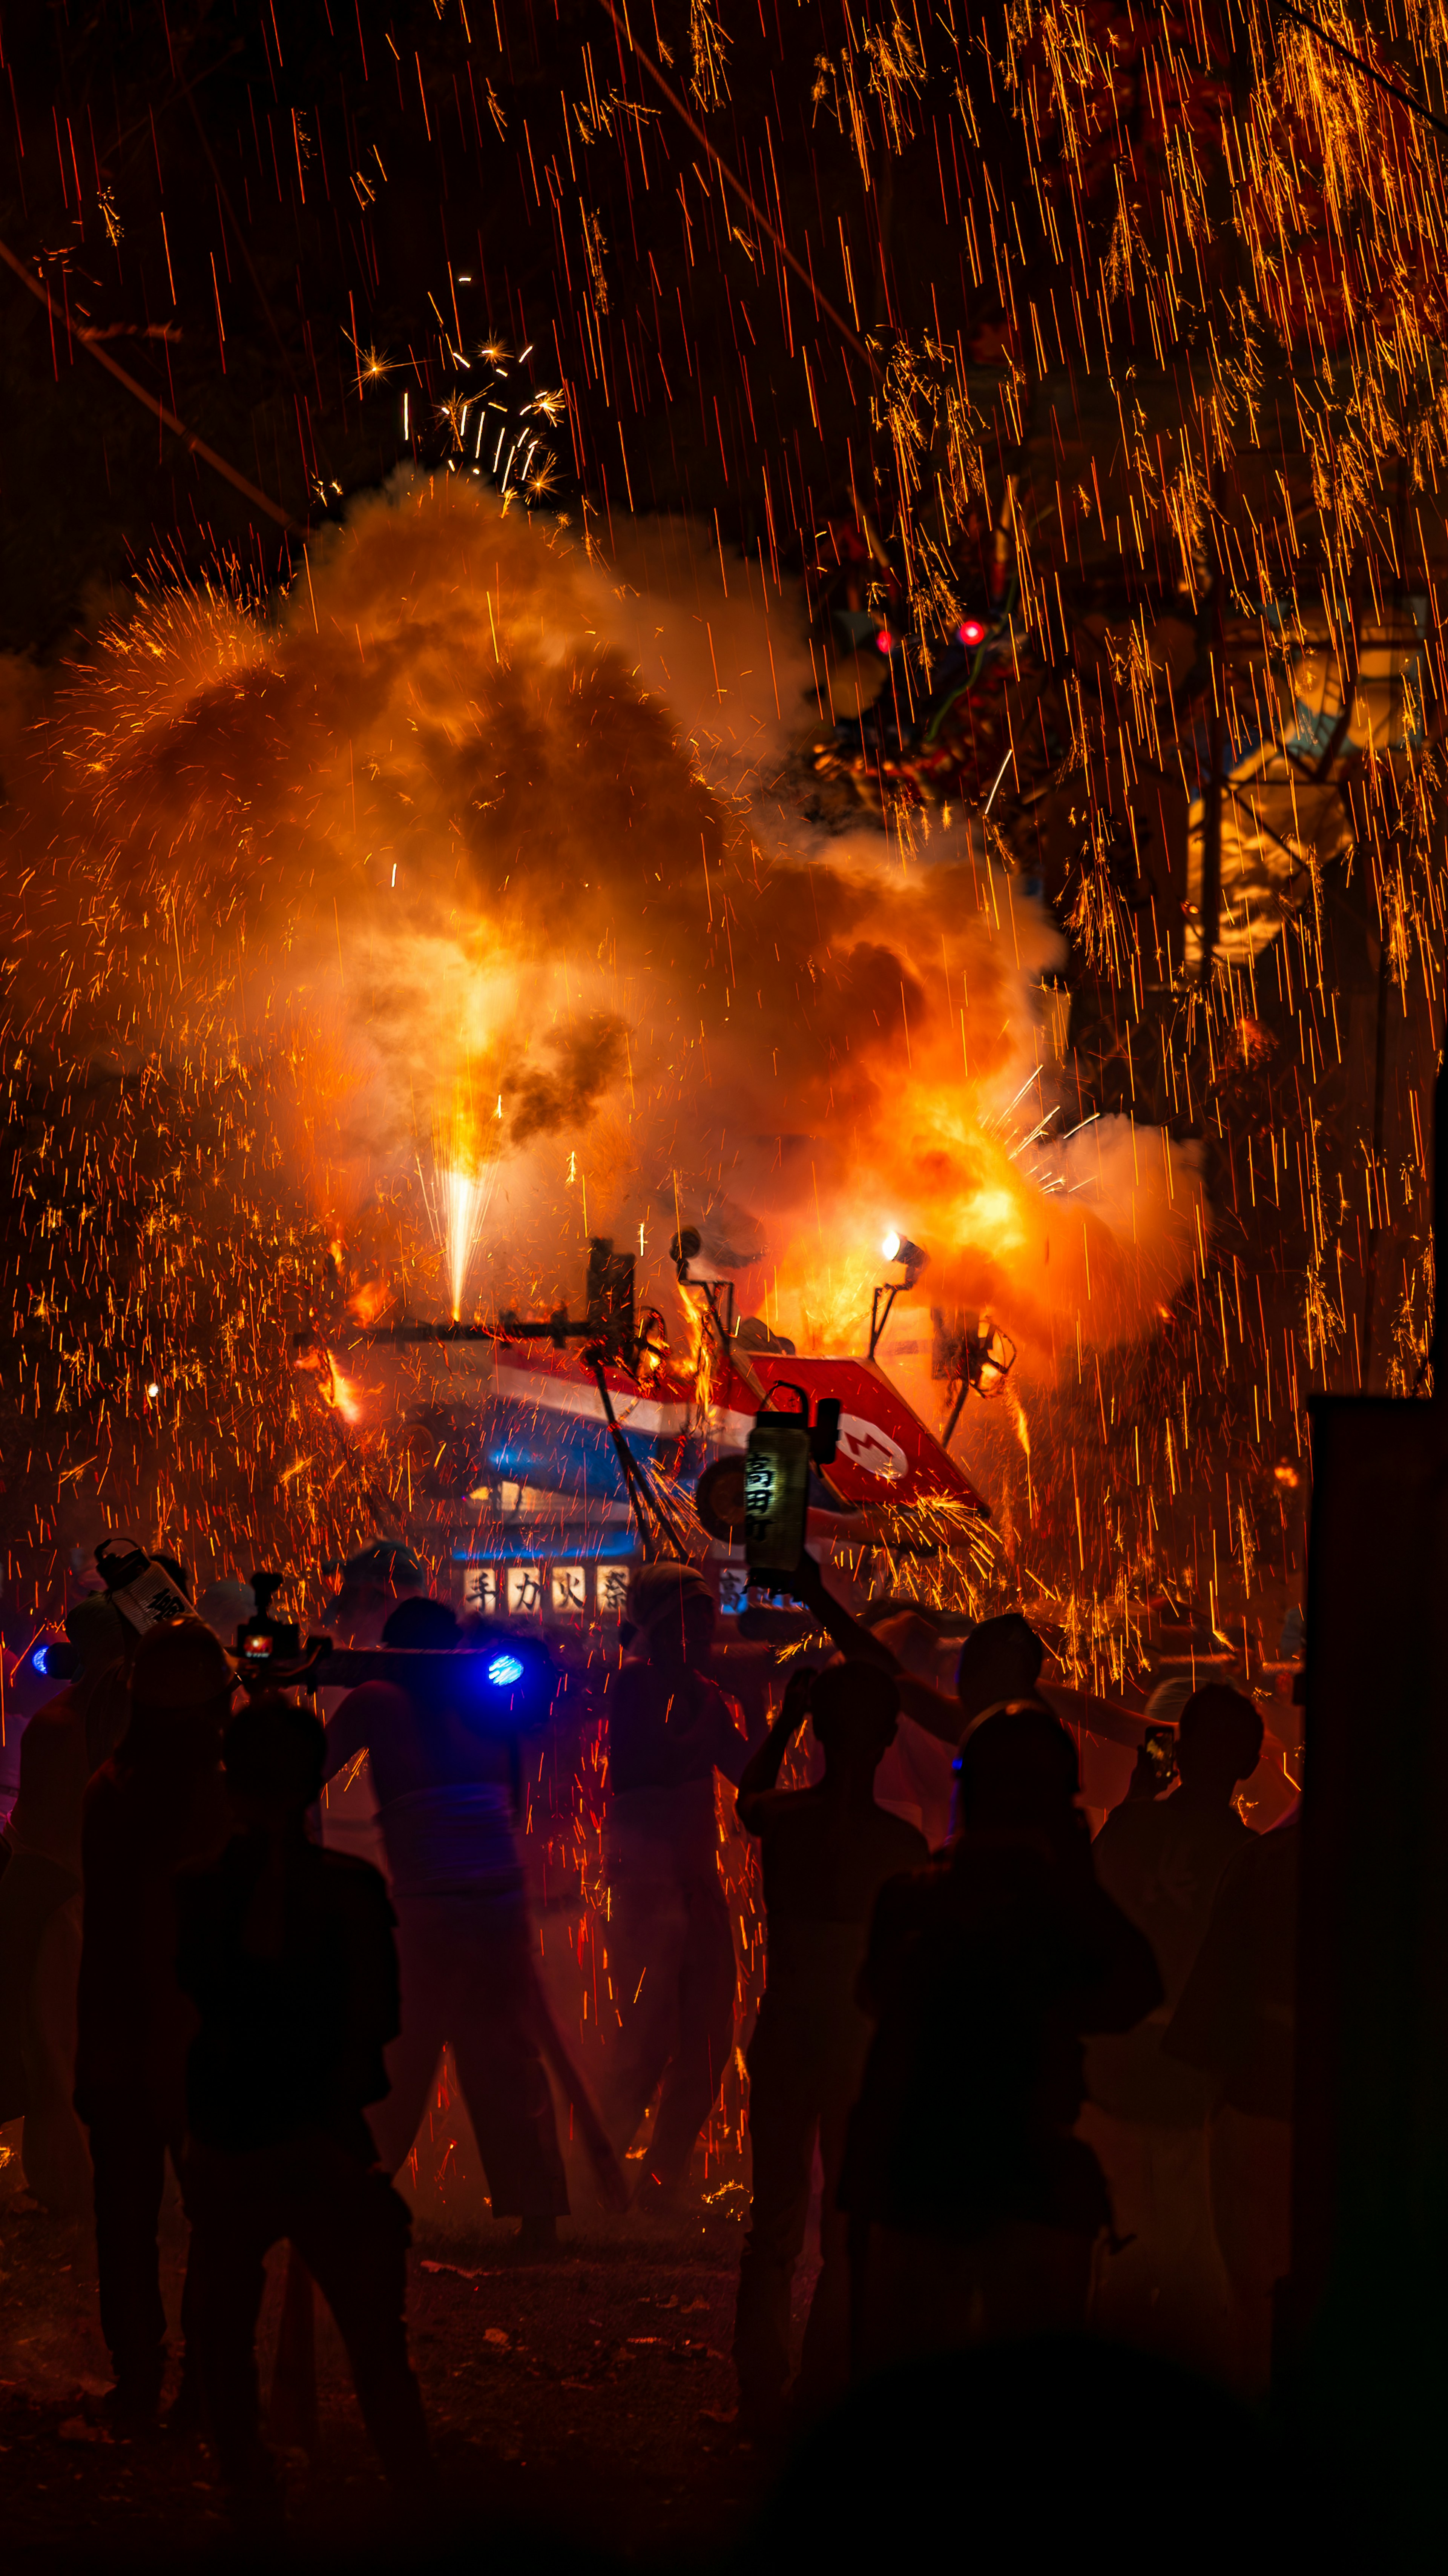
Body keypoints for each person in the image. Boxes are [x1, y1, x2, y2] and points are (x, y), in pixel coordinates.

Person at [840, 1701, 1162, 2369]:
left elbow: (873, 1997)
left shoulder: (912, 1899)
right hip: (1021, 2177)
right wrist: (1077, 1880)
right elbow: (1133, 1991)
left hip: (921, 2176)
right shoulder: (1056, 1916)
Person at [178, 1693, 429, 2529]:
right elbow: (381, 2018)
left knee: (222, 2327)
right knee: (374, 2337)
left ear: (229, 1785)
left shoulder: (202, 1891)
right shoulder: (352, 1891)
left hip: (231, 2135)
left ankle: (246, 2482)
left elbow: (187, 2005)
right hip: (323, 2136)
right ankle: (412, 2489)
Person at [322, 1595, 568, 2251]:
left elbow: (303, 1773)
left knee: (434, 2055)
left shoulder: (401, 1698)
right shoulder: (414, 1698)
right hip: (478, 1900)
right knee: (442, 2054)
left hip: (457, 1904)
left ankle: (358, 2197)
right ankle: (528, 2209)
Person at [733, 1661, 928, 2431]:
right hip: (858, 2045)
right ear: (884, 1740)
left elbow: (748, 1795)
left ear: (816, 1733)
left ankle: (760, 2393)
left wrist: (784, 1720)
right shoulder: (903, 1845)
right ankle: (822, 2387)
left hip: (785, 2034)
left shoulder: (783, 1819)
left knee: (773, 2219)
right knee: (850, 2224)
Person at [74, 1619, 234, 2427]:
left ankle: (140, 2379)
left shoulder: (108, 1789)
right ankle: (203, 2386)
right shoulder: (233, 1796)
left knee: (127, 2226)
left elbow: (103, 1941)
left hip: (126, 2044)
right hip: (208, 2048)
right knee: (215, 2227)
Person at [1082, 1683, 1264, 2366]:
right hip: (1191, 2079)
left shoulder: (1129, 1827)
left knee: (1120, 2264)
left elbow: (1093, 1924)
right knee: (1196, 2268)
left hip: (1115, 2070)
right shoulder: (1249, 1857)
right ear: (1247, 1765)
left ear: (1177, 1750)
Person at [601, 1560, 754, 2211]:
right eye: (689, 1618)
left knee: (711, 2036)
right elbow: (657, 1760)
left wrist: (770, 1708)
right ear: (660, 1625)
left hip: (699, 1885)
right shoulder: (634, 1685)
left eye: (707, 1617)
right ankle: (597, 2168)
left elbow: (754, 1778)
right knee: (649, 2038)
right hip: (645, 1892)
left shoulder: (707, 1693)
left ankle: (660, 2181)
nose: (703, 1629)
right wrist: (713, 1700)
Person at [0, 1596, 131, 2214]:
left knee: (64, 2050)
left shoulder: (82, 1722)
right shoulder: (72, 1725)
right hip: (68, 1898)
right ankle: (72, 2187)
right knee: (58, 2051)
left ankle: (79, 2186)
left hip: (74, 1898)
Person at [1162, 1813, 1299, 2390]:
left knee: (1253, 2300)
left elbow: (1211, 2006)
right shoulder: (1405, 1858)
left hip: (1256, 2101)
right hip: (1365, 2117)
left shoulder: (1264, 1860)